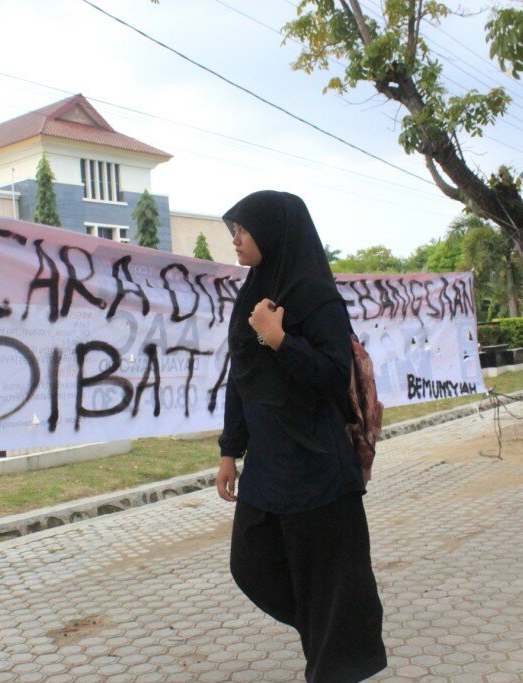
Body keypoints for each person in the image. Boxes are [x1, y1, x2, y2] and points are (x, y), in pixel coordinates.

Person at [215, 190, 387, 682]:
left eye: (242, 230)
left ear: (272, 232)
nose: (236, 239)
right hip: (269, 468)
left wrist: (281, 340)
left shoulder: (316, 296)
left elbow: (334, 374)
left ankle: (332, 659)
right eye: (233, 231)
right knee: (251, 565)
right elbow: (240, 376)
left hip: (317, 467)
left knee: (329, 586)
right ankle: (327, 633)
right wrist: (230, 451)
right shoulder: (252, 294)